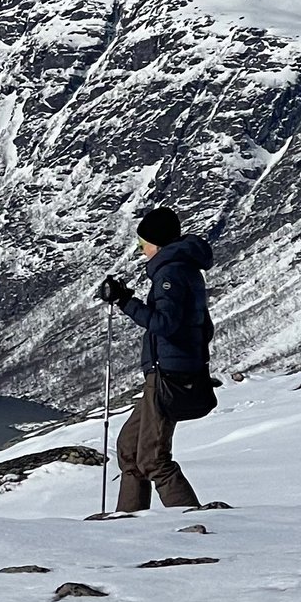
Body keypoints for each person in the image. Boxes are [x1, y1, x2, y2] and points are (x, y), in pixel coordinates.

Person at [96, 207, 216, 512]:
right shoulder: (181, 269)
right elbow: (204, 325)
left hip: (169, 375)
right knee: (128, 447)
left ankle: (193, 520)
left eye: (142, 244)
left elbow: (165, 323)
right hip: (171, 371)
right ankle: (129, 520)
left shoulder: (171, 274)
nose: (140, 250)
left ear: (157, 244)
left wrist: (124, 301)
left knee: (152, 457)